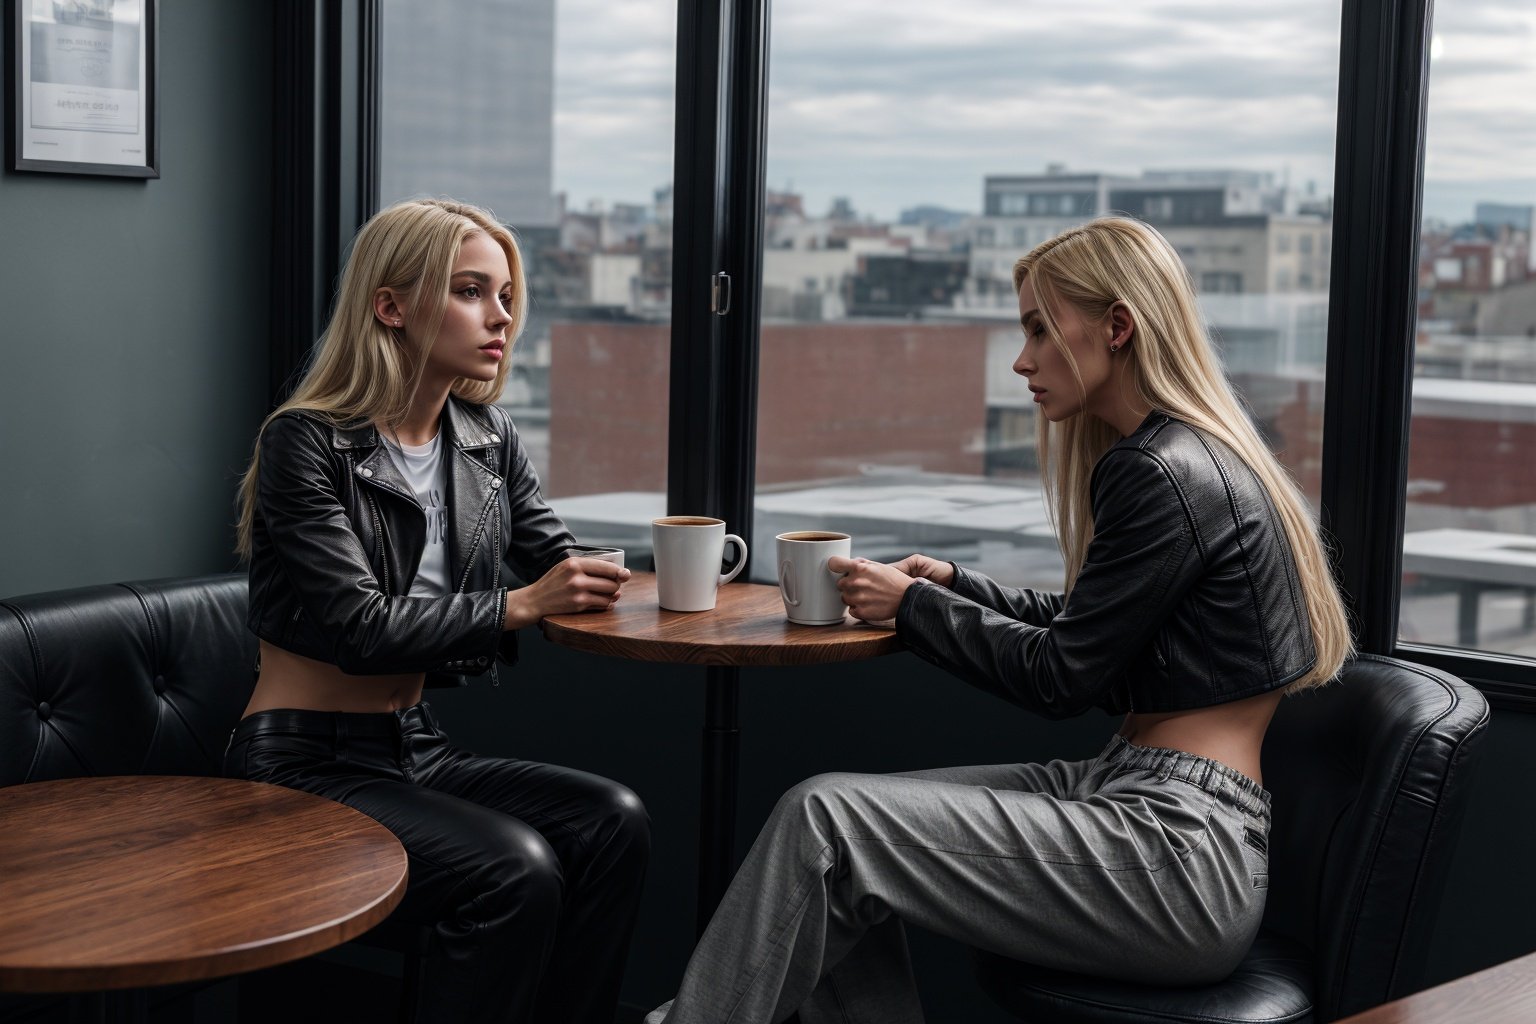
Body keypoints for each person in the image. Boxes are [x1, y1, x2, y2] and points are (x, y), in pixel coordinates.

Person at [646, 216, 1353, 1024]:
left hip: (1176, 853)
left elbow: (1061, 676)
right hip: (1151, 807)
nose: (1022, 361)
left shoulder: (1158, 470)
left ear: (1117, 326)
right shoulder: (1199, 455)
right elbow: (1094, 627)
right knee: (841, 851)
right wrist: (955, 583)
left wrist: (915, 608)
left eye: (1038, 330)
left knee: (828, 820)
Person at [228, 197, 650, 1024]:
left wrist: (667, 581)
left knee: (612, 823)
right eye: (471, 291)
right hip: (300, 763)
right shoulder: (306, 441)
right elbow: (360, 629)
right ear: (391, 306)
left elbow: (559, 563)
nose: (501, 316)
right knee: (513, 869)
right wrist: (522, 604)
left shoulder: (486, 439)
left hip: (414, 749)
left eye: (504, 295)